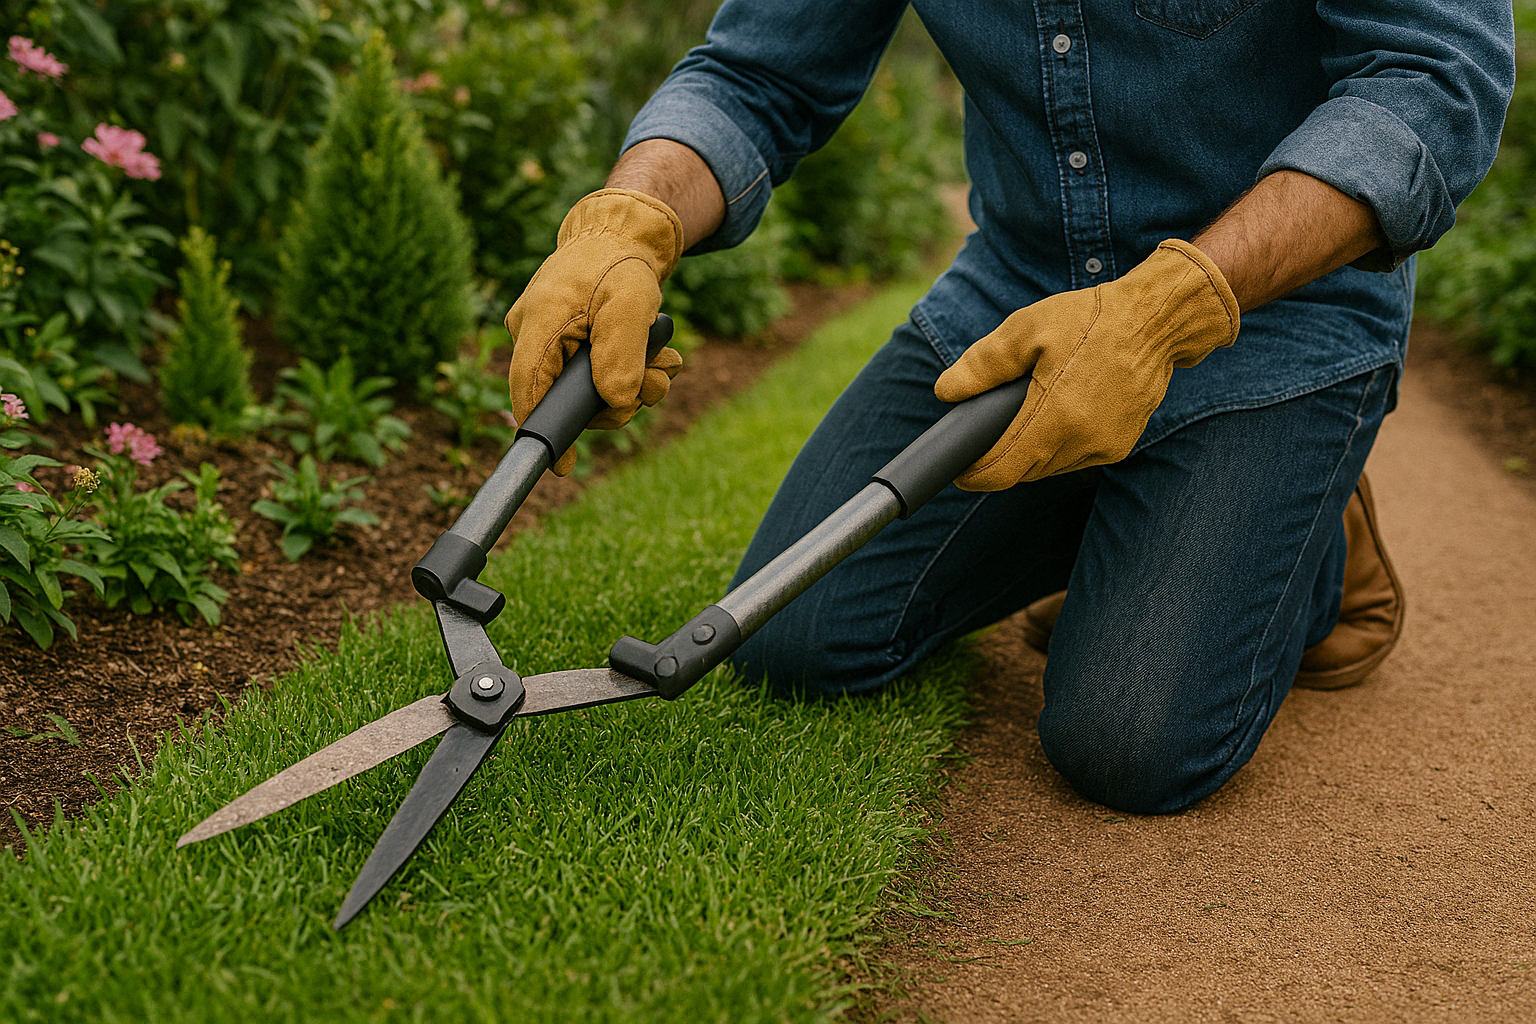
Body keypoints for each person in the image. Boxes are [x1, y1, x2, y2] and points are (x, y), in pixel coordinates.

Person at [504, 1, 1516, 814]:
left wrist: (1168, 310)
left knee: (1128, 742)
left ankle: (1317, 539)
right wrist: (628, 222)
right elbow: (757, 74)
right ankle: (1137, 492)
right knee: (794, 639)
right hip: (1022, 298)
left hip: (1276, 314)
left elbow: (1434, 79)